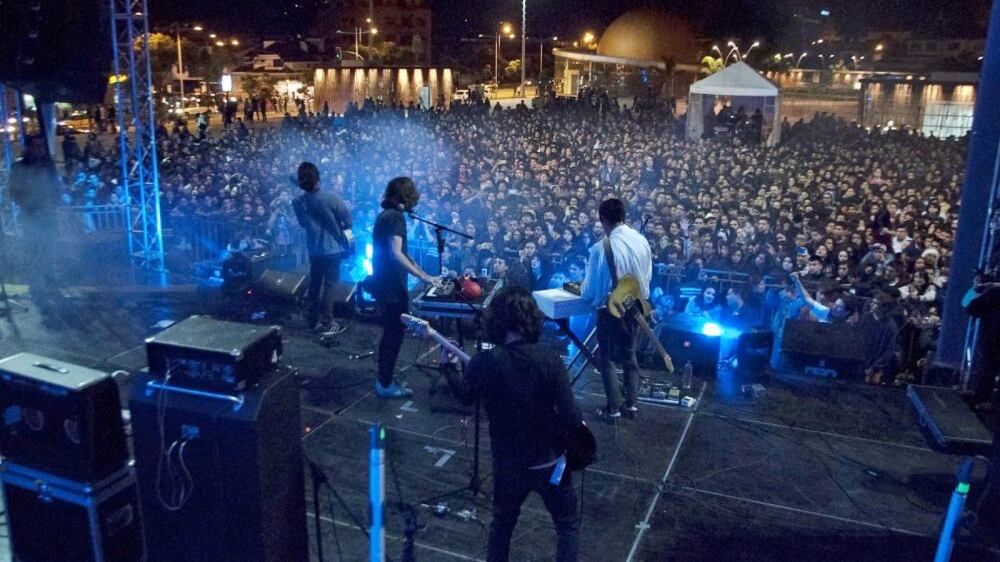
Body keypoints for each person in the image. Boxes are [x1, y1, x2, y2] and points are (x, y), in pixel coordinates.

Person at [442, 286, 583, 562]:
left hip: (509, 465)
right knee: (567, 526)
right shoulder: (550, 361)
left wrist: (447, 367)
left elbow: (465, 397)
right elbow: (572, 418)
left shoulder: (484, 362)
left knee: (502, 527)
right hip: (549, 463)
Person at [581, 198, 655, 421]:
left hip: (611, 309)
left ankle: (613, 408)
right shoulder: (641, 240)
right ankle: (631, 405)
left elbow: (592, 291)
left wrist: (586, 294)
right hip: (637, 305)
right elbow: (648, 275)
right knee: (630, 355)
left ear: (603, 219)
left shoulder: (601, 248)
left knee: (608, 359)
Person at [371, 177, 442, 398]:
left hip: (385, 282)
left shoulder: (388, 215)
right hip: (391, 286)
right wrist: (423, 276)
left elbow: (399, 250)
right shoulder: (395, 217)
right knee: (393, 334)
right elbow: (394, 253)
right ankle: (384, 384)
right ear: (406, 197)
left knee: (392, 332)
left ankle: (384, 379)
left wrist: (419, 269)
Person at [291, 161, 353, 336]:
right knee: (330, 286)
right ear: (318, 178)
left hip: (314, 250)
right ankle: (327, 321)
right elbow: (348, 221)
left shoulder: (298, 202)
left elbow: (304, 224)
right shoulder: (332, 198)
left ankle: (312, 321)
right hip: (332, 249)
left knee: (314, 284)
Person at [9, 135, 62, 292]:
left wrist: (53, 203)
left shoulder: (48, 165)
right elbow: (14, 192)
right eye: (36, 146)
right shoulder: (18, 167)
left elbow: (56, 187)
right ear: (29, 148)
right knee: (33, 250)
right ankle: (36, 285)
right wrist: (29, 205)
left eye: (41, 146)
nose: (39, 150)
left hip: (48, 214)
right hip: (30, 216)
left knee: (50, 249)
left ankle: (50, 280)